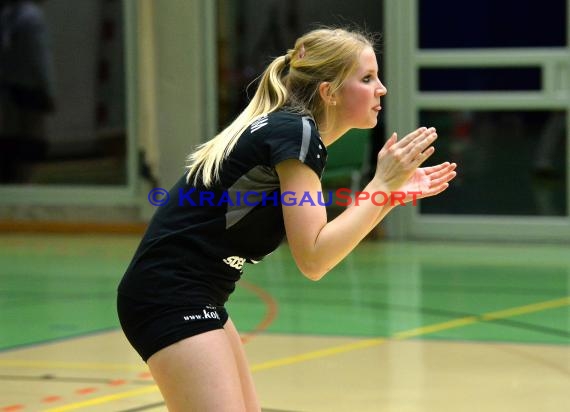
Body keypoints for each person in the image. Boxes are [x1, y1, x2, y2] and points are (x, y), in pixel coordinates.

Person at [117, 27, 457, 411]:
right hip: (169, 294)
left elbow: (319, 248)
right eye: (366, 79)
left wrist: (387, 195)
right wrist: (380, 183)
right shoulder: (296, 133)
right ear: (329, 92)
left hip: (198, 293)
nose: (381, 89)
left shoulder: (291, 130)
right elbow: (314, 258)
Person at [0, 0, 55, 183]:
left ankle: (15, 180)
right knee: (32, 142)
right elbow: (40, 58)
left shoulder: (10, 15)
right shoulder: (32, 17)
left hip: (10, 88)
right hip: (30, 89)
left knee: (14, 141)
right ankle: (25, 182)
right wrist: (49, 90)